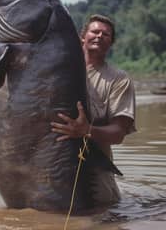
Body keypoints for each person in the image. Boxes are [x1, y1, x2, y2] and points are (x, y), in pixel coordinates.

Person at [51, 14, 136, 206]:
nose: (99, 36)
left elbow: (119, 133)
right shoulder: (57, 70)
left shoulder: (119, 80)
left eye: (105, 34)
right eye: (95, 31)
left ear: (111, 43)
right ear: (83, 36)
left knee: (103, 215)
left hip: (95, 169)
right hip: (51, 161)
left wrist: (87, 130)